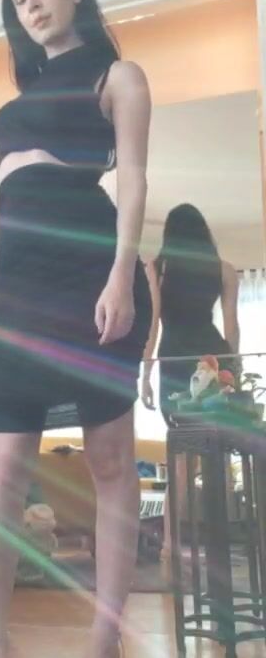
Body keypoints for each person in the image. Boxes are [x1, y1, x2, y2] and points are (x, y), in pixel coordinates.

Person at [0, 0, 152, 658]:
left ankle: (103, 650)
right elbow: (4, 212)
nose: (31, 2)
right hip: (21, 294)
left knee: (110, 463)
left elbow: (132, 180)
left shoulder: (118, 77)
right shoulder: (16, 106)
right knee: (2, 470)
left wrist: (120, 276)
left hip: (94, 276)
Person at [141, 203, 240, 556]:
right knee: (217, 450)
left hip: (175, 362)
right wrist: (233, 372)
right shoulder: (223, 269)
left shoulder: (158, 268)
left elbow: (152, 325)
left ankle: (170, 544)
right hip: (213, 359)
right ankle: (220, 541)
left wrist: (145, 375)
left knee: (181, 457)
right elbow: (231, 327)